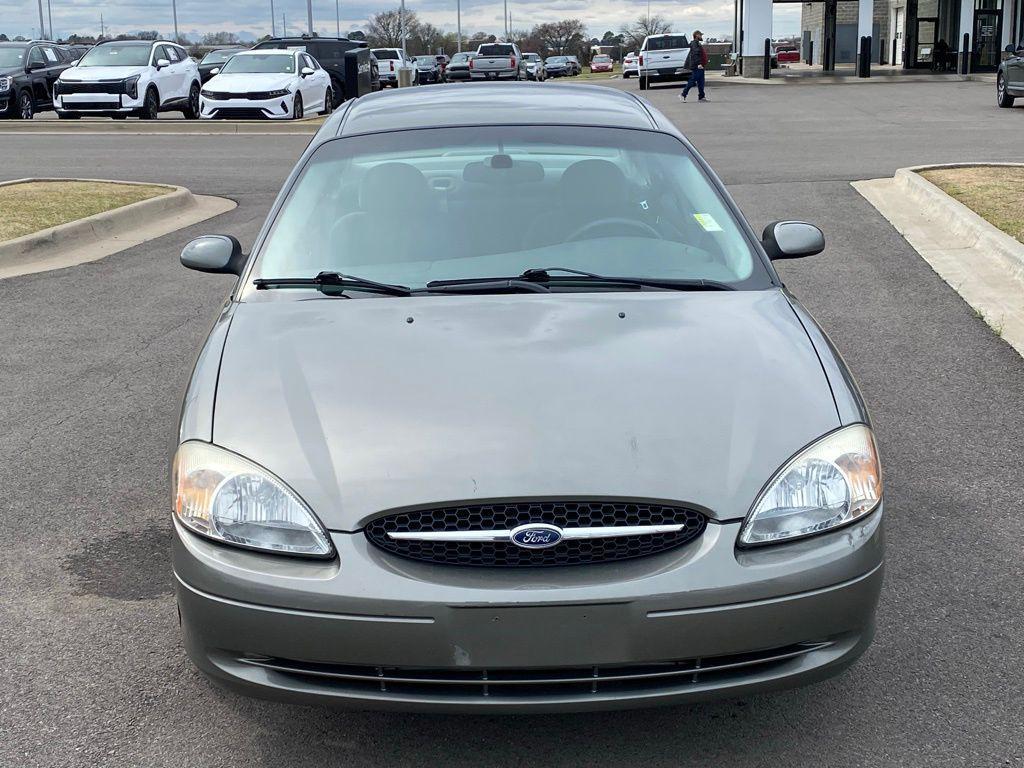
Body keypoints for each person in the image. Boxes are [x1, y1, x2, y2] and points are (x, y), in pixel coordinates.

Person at [680, 30, 709, 102]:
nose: (701, 36)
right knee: (693, 80)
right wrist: (699, 64)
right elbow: (695, 54)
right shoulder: (694, 44)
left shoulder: (697, 43)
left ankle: (701, 97)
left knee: (701, 82)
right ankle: (683, 94)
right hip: (697, 66)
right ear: (696, 35)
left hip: (700, 65)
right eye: (700, 35)